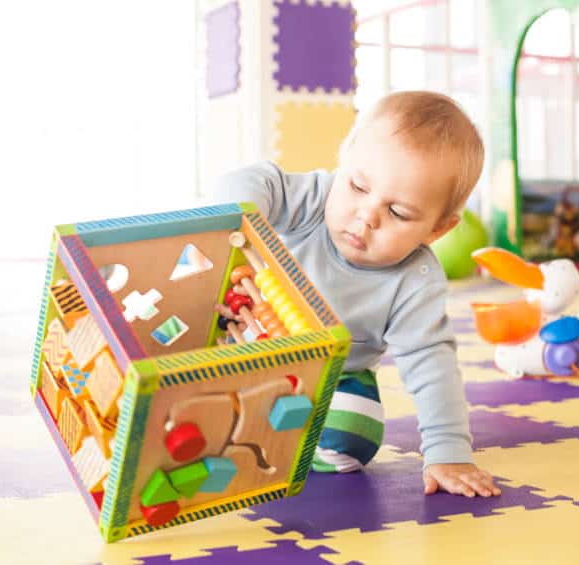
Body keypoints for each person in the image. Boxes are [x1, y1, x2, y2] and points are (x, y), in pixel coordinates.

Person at [211, 91, 501, 498]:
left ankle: (276, 433)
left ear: (437, 230)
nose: (367, 216)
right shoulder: (315, 199)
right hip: (246, 342)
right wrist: (240, 215)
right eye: (359, 186)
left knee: (354, 434)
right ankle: (249, 421)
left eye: (398, 213)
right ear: (343, 162)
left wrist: (448, 450)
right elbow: (251, 180)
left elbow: (431, 362)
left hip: (334, 376)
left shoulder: (415, 280)